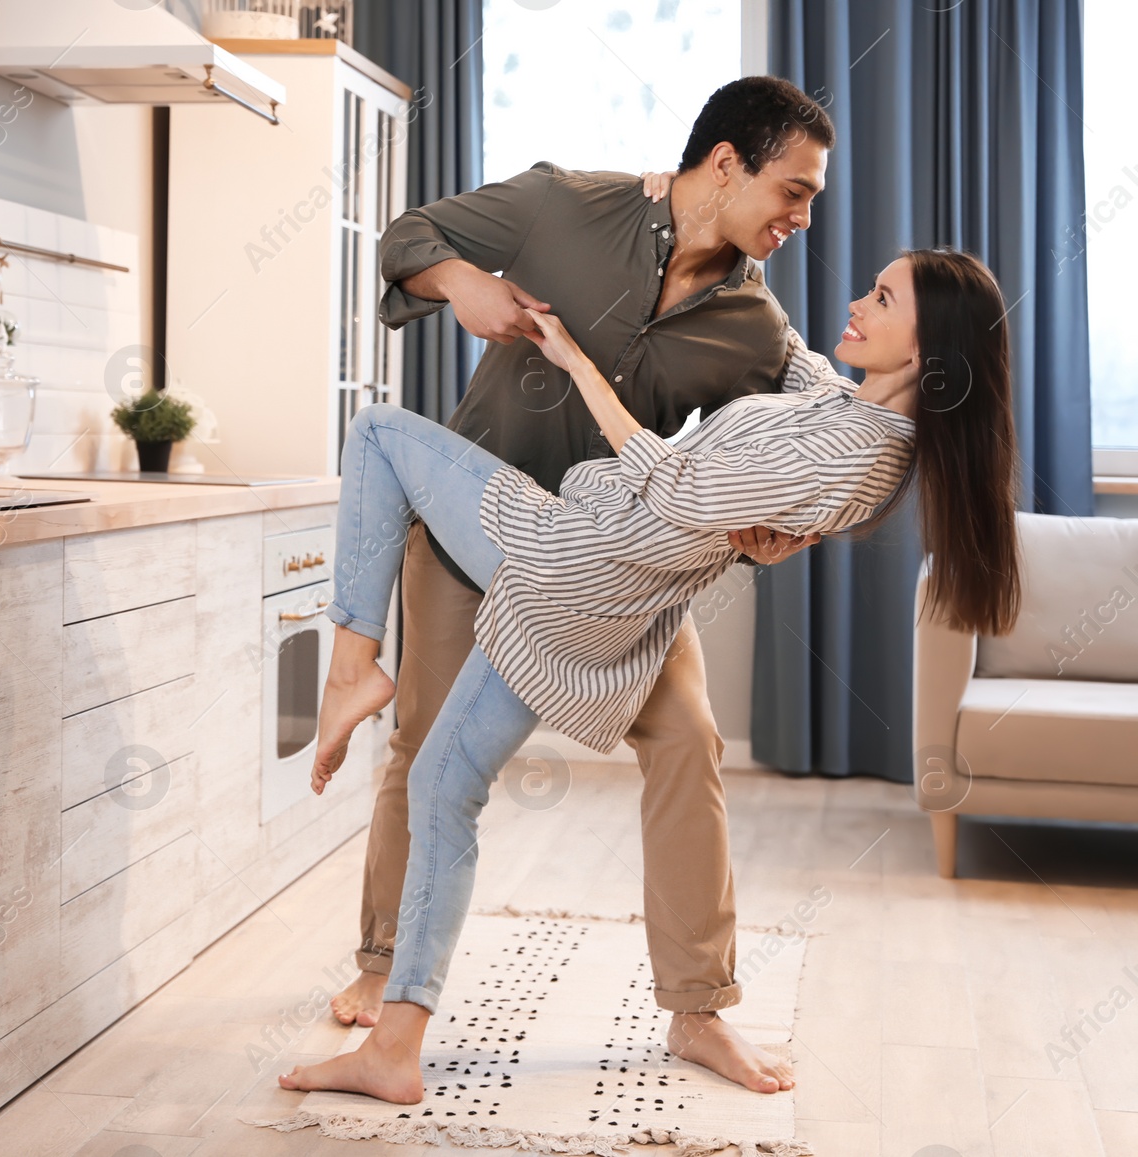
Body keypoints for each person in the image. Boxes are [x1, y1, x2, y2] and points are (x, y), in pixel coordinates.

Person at [283, 247, 1021, 1103]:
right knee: (444, 784)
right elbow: (797, 366)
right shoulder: (850, 418)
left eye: (883, 298)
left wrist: (577, 362)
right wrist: (732, 252)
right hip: (599, 592)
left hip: (567, 559)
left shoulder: (851, 450)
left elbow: (673, 483)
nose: (859, 301)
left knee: (376, 432)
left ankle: (352, 668)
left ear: (928, 354)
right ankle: (395, 1049)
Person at [330, 75, 835, 1094]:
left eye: (811, 199)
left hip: (614, 568)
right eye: (792, 190)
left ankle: (698, 1008)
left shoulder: (753, 327)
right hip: (473, 534)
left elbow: (808, 438)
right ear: (725, 162)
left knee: (688, 738)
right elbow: (407, 234)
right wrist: (457, 283)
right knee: (424, 740)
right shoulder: (565, 204)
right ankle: (381, 965)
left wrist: (778, 529)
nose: (801, 218)